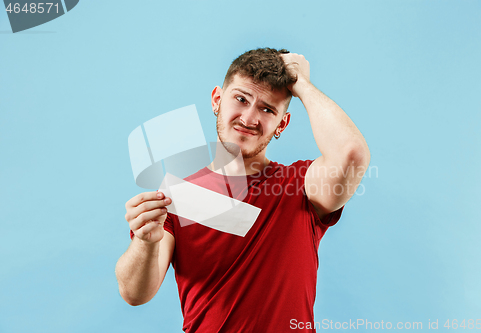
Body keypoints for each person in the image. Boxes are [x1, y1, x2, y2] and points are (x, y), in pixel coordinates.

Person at [115, 48, 370, 332]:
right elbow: (134, 294)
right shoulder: (178, 196)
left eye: (267, 109)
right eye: (241, 99)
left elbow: (352, 155)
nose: (249, 119)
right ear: (217, 100)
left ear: (281, 124)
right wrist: (145, 242)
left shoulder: (301, 187)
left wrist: (302, 85)